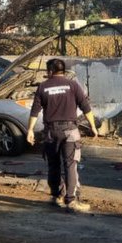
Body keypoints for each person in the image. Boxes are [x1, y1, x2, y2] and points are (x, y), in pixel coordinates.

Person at [26, 58, 98, 213]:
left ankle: (56, 196)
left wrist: (30, 130)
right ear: (63, 71)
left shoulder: (43, 87)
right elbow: (86, 107)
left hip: (51, 132)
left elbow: (35, 111)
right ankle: (71, 201)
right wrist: (93, 126)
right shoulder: (73, 85)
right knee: (70, 166)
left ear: (50, 71)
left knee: (53, 165)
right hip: (70, 132)